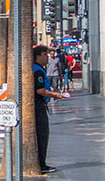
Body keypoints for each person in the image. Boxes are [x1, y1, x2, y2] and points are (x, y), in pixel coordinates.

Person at [34, 44, 67, 175]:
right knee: (42, 134)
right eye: (45, 55)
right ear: (37, 56)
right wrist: (55, 95)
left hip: (39, 105)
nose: (47, 57)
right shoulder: (37, 70)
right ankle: (41, 164)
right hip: (38, 106)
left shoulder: (38, 68)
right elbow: (40, 90)